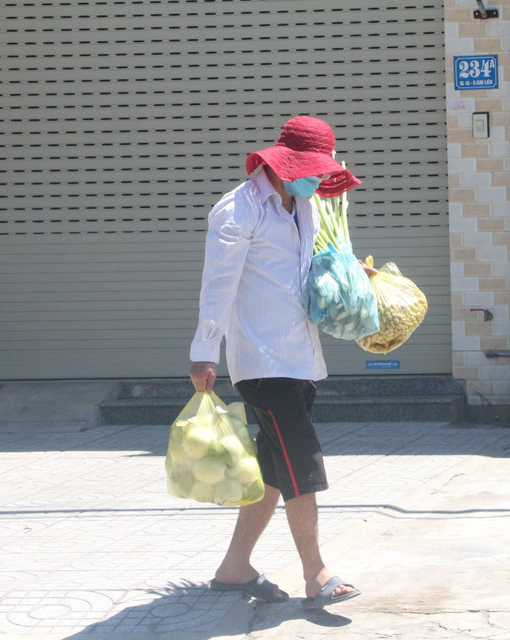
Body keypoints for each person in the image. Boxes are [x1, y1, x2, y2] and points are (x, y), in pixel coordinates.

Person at [188, 115, 361, 608]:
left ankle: (233, 568)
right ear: (284, 163)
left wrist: (351, 277)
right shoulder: (238, 210)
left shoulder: (301, 207)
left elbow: (304, 274)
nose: (314, 179)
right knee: (302, 465)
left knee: (274, 471)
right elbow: (217, 286)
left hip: (300, 358)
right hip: (263, 365)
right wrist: (204, 351)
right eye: (308, 169)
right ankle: (317, 575)